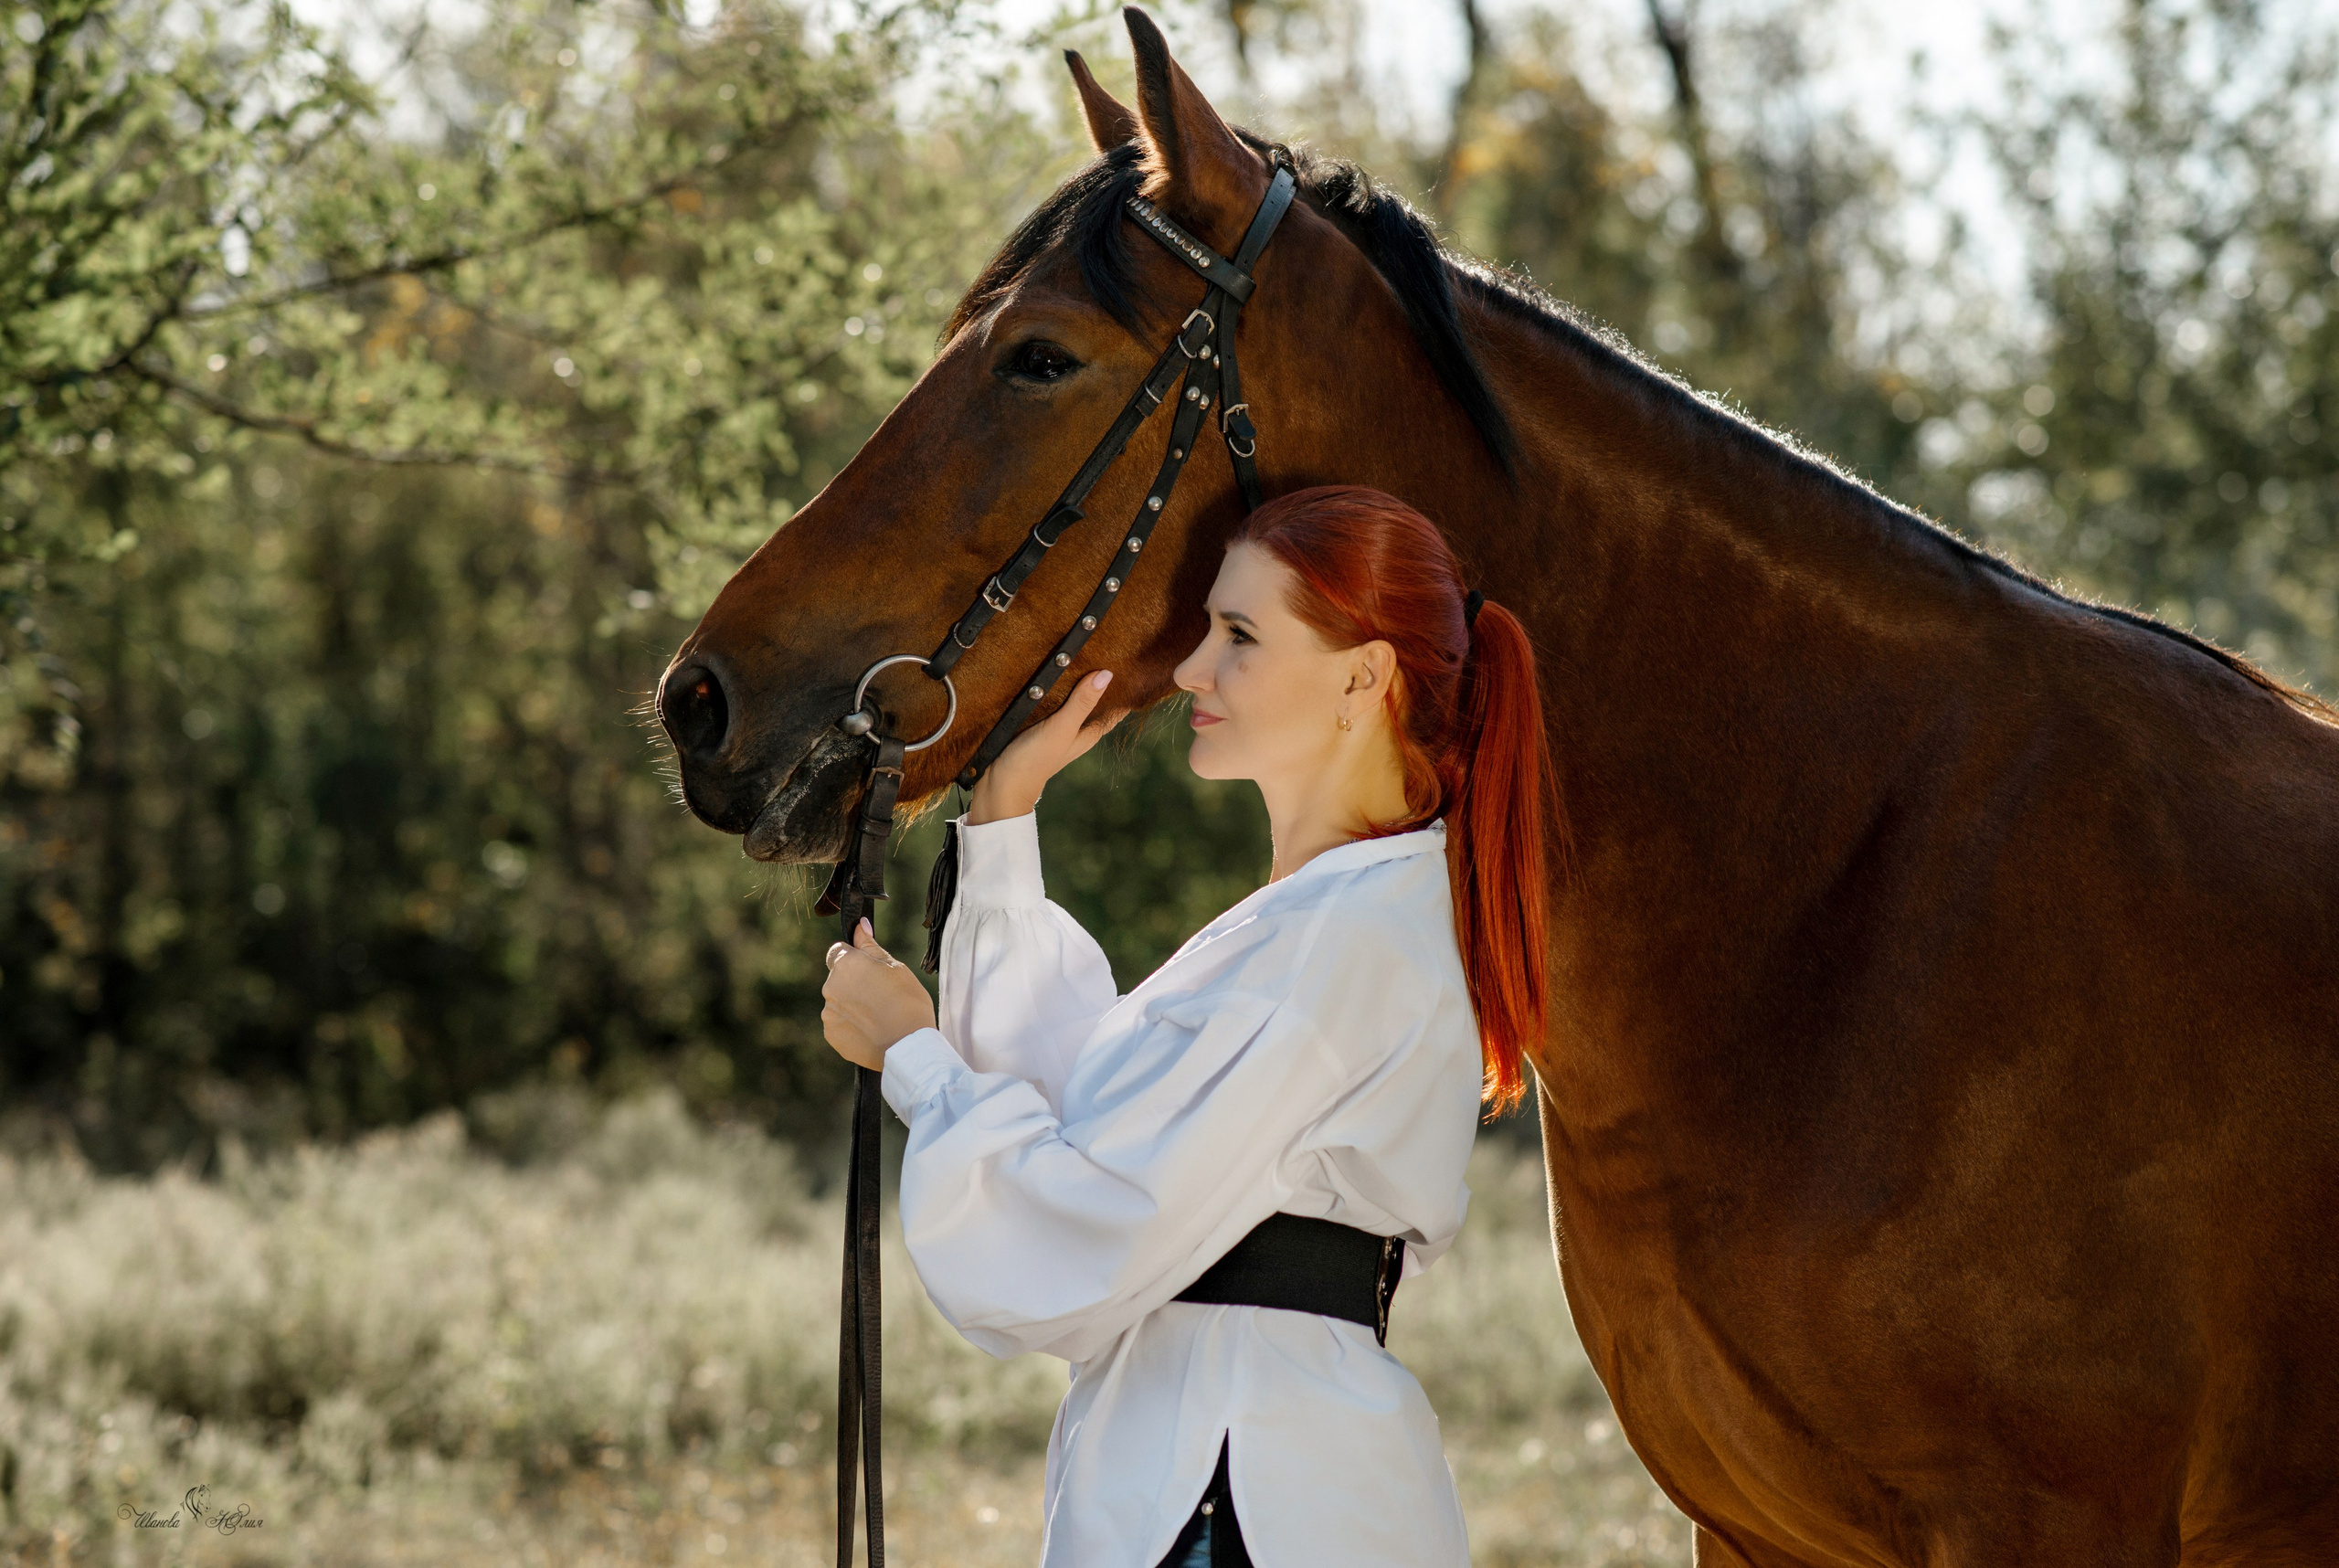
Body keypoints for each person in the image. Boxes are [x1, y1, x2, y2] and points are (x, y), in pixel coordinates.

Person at [819, 483, 1556, 1567]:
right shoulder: (1330, 918)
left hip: (1242, 1496)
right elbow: (1095, 1113)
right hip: (1231, 1477)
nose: (1192, 671)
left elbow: (1093, 1219)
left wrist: (917, 1061)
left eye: (1239, 635)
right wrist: (1003, 818)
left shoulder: (1342, 940)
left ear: (1363, 674)